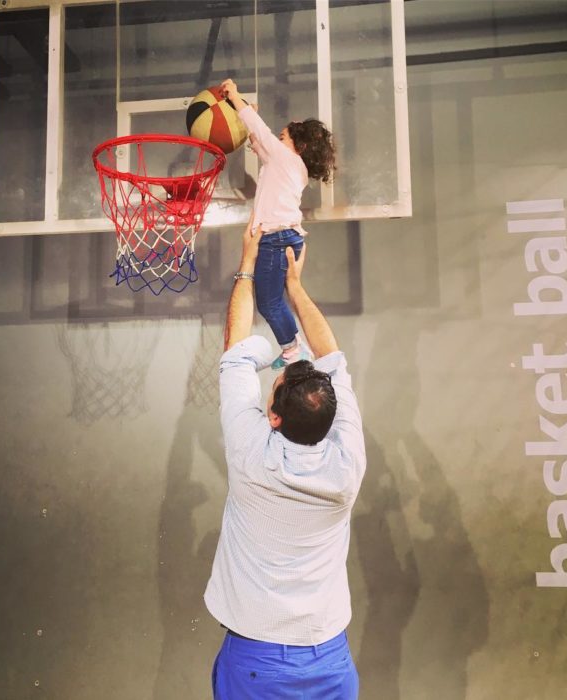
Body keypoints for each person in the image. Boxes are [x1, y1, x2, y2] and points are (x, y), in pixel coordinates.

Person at [204, 220, 366, 699]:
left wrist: (248, 265)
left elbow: (236, 348)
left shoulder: (251, 451)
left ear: (272, 418)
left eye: (273, 388)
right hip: (330, 659)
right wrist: (294, 286)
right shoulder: (348, 463)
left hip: (256, 662)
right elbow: (331, 354)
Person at [219, 78, 336, 369]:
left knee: (269, 302)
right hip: (284, 237)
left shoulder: (286, 159)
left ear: (300, 146)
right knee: (272, 300)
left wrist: (237, 98)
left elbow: (261, 132)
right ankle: (292, 347)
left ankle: (294, 349)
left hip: (277, 237)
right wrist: (247, 118)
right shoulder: (288, 164)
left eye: (283, 138)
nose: (278, 142)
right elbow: (258, 142)